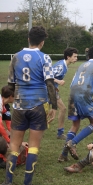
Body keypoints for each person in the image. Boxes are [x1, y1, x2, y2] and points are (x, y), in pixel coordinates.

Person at [3, 26, 57, 185]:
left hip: (19, 106)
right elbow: (50, 83)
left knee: (14, 145)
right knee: (33, 146)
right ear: (42, 42)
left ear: (28, 39)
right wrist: (53, 106)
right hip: (38, 105)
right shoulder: (44, 58)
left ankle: (8, 182)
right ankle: (27, 183)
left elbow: (10, 84)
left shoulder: (16, 57)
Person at [58, 46, 93, 162]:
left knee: (75, 124)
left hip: (72, 93)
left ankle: (63, 155)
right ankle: (73, 143)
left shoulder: (81, 65)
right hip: (84, 94)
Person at [52, 47, 78, 140]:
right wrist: (58, 82)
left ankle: (60, 132)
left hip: (52, 89)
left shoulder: (64, 65)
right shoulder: (60, 66)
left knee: (62, 109)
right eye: (74, 56)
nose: (76, 58)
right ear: (68, 57)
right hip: (46, 90)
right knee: (44, 112)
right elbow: (46, 76)